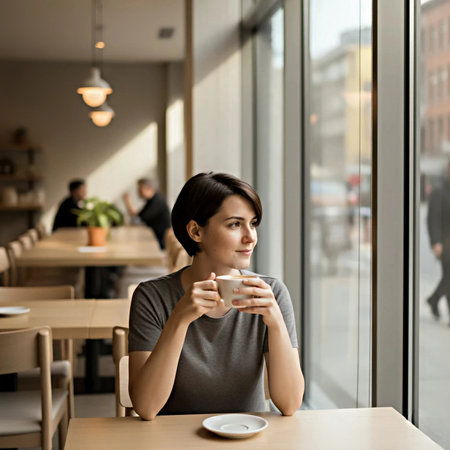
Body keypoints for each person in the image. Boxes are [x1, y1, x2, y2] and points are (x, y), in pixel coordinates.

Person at [128, 172, 304, 420]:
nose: (250, 237)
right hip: (173, 442)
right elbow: (146, 407)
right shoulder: (152, 296)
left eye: (252, 223)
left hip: (247, 439)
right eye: (235, 224)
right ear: (195, 232)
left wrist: (275, 322)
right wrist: (179, 319)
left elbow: (290, 404)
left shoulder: (271, 294)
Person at [426, 160, 450, 323]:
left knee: (447, 278)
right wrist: (436, 242)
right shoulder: (439, 192)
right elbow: (433, 219)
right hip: (446, 244)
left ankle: (433, 299)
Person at [122, 178, 170, 249]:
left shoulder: (157, 201)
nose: (138, 191)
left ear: (149, 188)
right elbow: (138, 215)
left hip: (159, 241)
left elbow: (139, 219)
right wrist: (127, 201)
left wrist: (127, 201)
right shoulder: (151, 200)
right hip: (154, 238)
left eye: (140, 189)